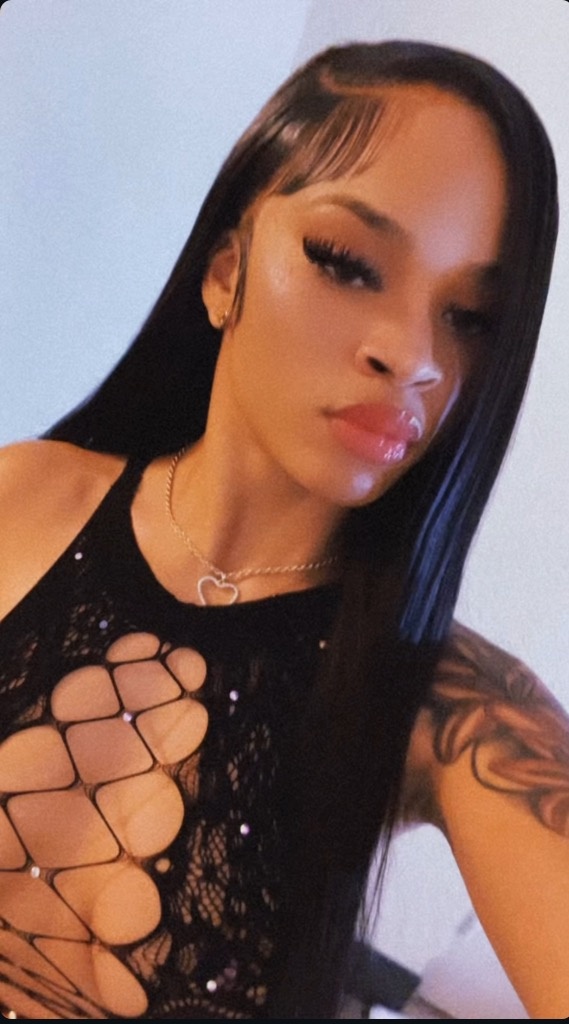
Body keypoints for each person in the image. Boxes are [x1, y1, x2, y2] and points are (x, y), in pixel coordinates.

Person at [0, 39, 566, 1021]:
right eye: (349, 264)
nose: (412, 355)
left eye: (470, 318)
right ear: (224, 272)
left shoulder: (450, 707)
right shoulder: (24, 496)